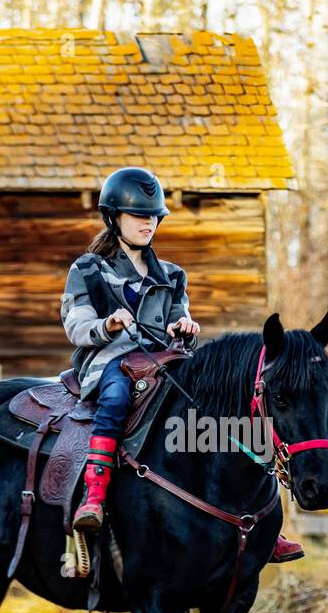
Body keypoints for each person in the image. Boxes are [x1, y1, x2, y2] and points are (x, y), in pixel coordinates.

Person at [59, 165, 304, 560]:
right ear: (114, 217)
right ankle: (95, 495)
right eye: (139, 215)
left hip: (164, 362)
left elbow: (179, 317)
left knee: (224, 409)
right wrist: (107, 324)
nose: (148, 223)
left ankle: (263, 523)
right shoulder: (88, 269)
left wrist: (184, 327)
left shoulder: (173, 275)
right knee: (117, 397)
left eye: (153, 216)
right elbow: (75, 323)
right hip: (109, 363)